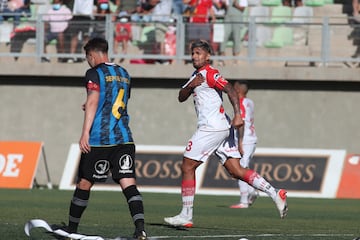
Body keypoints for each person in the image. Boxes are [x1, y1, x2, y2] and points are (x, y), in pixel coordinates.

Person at [163, 40, 288, 228]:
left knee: (187, 166)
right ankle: (274, 192)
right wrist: (191, 86)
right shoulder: (195, 76)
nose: (194, 56)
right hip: (222, 127)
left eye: (198, 53)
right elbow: (181, 97)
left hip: (213, 127)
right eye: (193, 53)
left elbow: (230, 89)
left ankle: (186, 215)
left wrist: (238, 114)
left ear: (207, 56)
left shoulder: (211, 74)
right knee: (236, 171)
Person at [55, 38, 147, 240]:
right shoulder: (124, 73)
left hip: (100, 139)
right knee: (128, 183)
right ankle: (140, 228)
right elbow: (116, 102)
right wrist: (88, 104)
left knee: (84, 183)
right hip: (124, 138)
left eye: (87, 57)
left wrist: (85, 132)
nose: (88, 61)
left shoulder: (93, 73)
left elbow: (95, 99)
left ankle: (71, 229)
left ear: (92, 54)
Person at [229, 80, 259, 209]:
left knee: (240, 169)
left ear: (239, 90)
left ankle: (244, 200)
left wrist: (239, 142)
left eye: (234, 88)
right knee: (243, 168)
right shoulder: (250, 102)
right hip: (252, 139)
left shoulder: (240, 103)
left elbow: (241, 123)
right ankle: (252, 191)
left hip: (245, 140)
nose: (233, 90)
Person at [218, 0, 248, 66]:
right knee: (224, 37)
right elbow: (227, 8)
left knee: (236, 38)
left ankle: (235, 60)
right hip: (228, 18)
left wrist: (236, 4)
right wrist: (224, 4)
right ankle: (221, 59)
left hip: (237, 19)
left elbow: (242, 8)